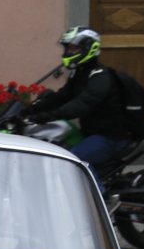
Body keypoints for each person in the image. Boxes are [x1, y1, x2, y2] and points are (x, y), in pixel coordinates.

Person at [26, 26, 136, 174]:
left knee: (72, 163)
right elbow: (62, 96)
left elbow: (82, 104)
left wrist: (50, 115)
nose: (68, 52)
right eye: (68, 48)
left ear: (89, 48)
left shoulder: (100, 77)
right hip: (90, 133)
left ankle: (95, 189)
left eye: (74, 48)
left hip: (110, 137)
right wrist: (30, 109)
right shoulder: (79, 73)